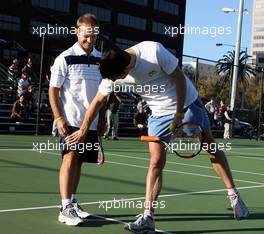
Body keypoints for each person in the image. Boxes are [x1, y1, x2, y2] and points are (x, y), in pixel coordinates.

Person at [65, 41, 249, 232]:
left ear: (126, 66)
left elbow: (179, 78)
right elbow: (97, 102)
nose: (118, 80)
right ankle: (148, 217)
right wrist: (83, 130)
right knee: (155, 162)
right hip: (158, 114)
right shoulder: (113, 73)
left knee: (209, 147)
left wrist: (179, 115)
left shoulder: (153, 51)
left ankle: (234, 196)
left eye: (120, 76)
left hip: (186, 102)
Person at [49, 13, 103, 226]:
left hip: (90, 122)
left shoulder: (100, 59)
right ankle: (64, 208)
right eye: (86, 35)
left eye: (93, 36)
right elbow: (53, 90)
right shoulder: (65, 57)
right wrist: (59, 117)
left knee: (80, 161)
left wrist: (102, 118)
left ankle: (71, 201)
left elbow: (103, 91)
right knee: (70, 158)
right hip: (70, 120)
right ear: (77, 32)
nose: (89, 40)